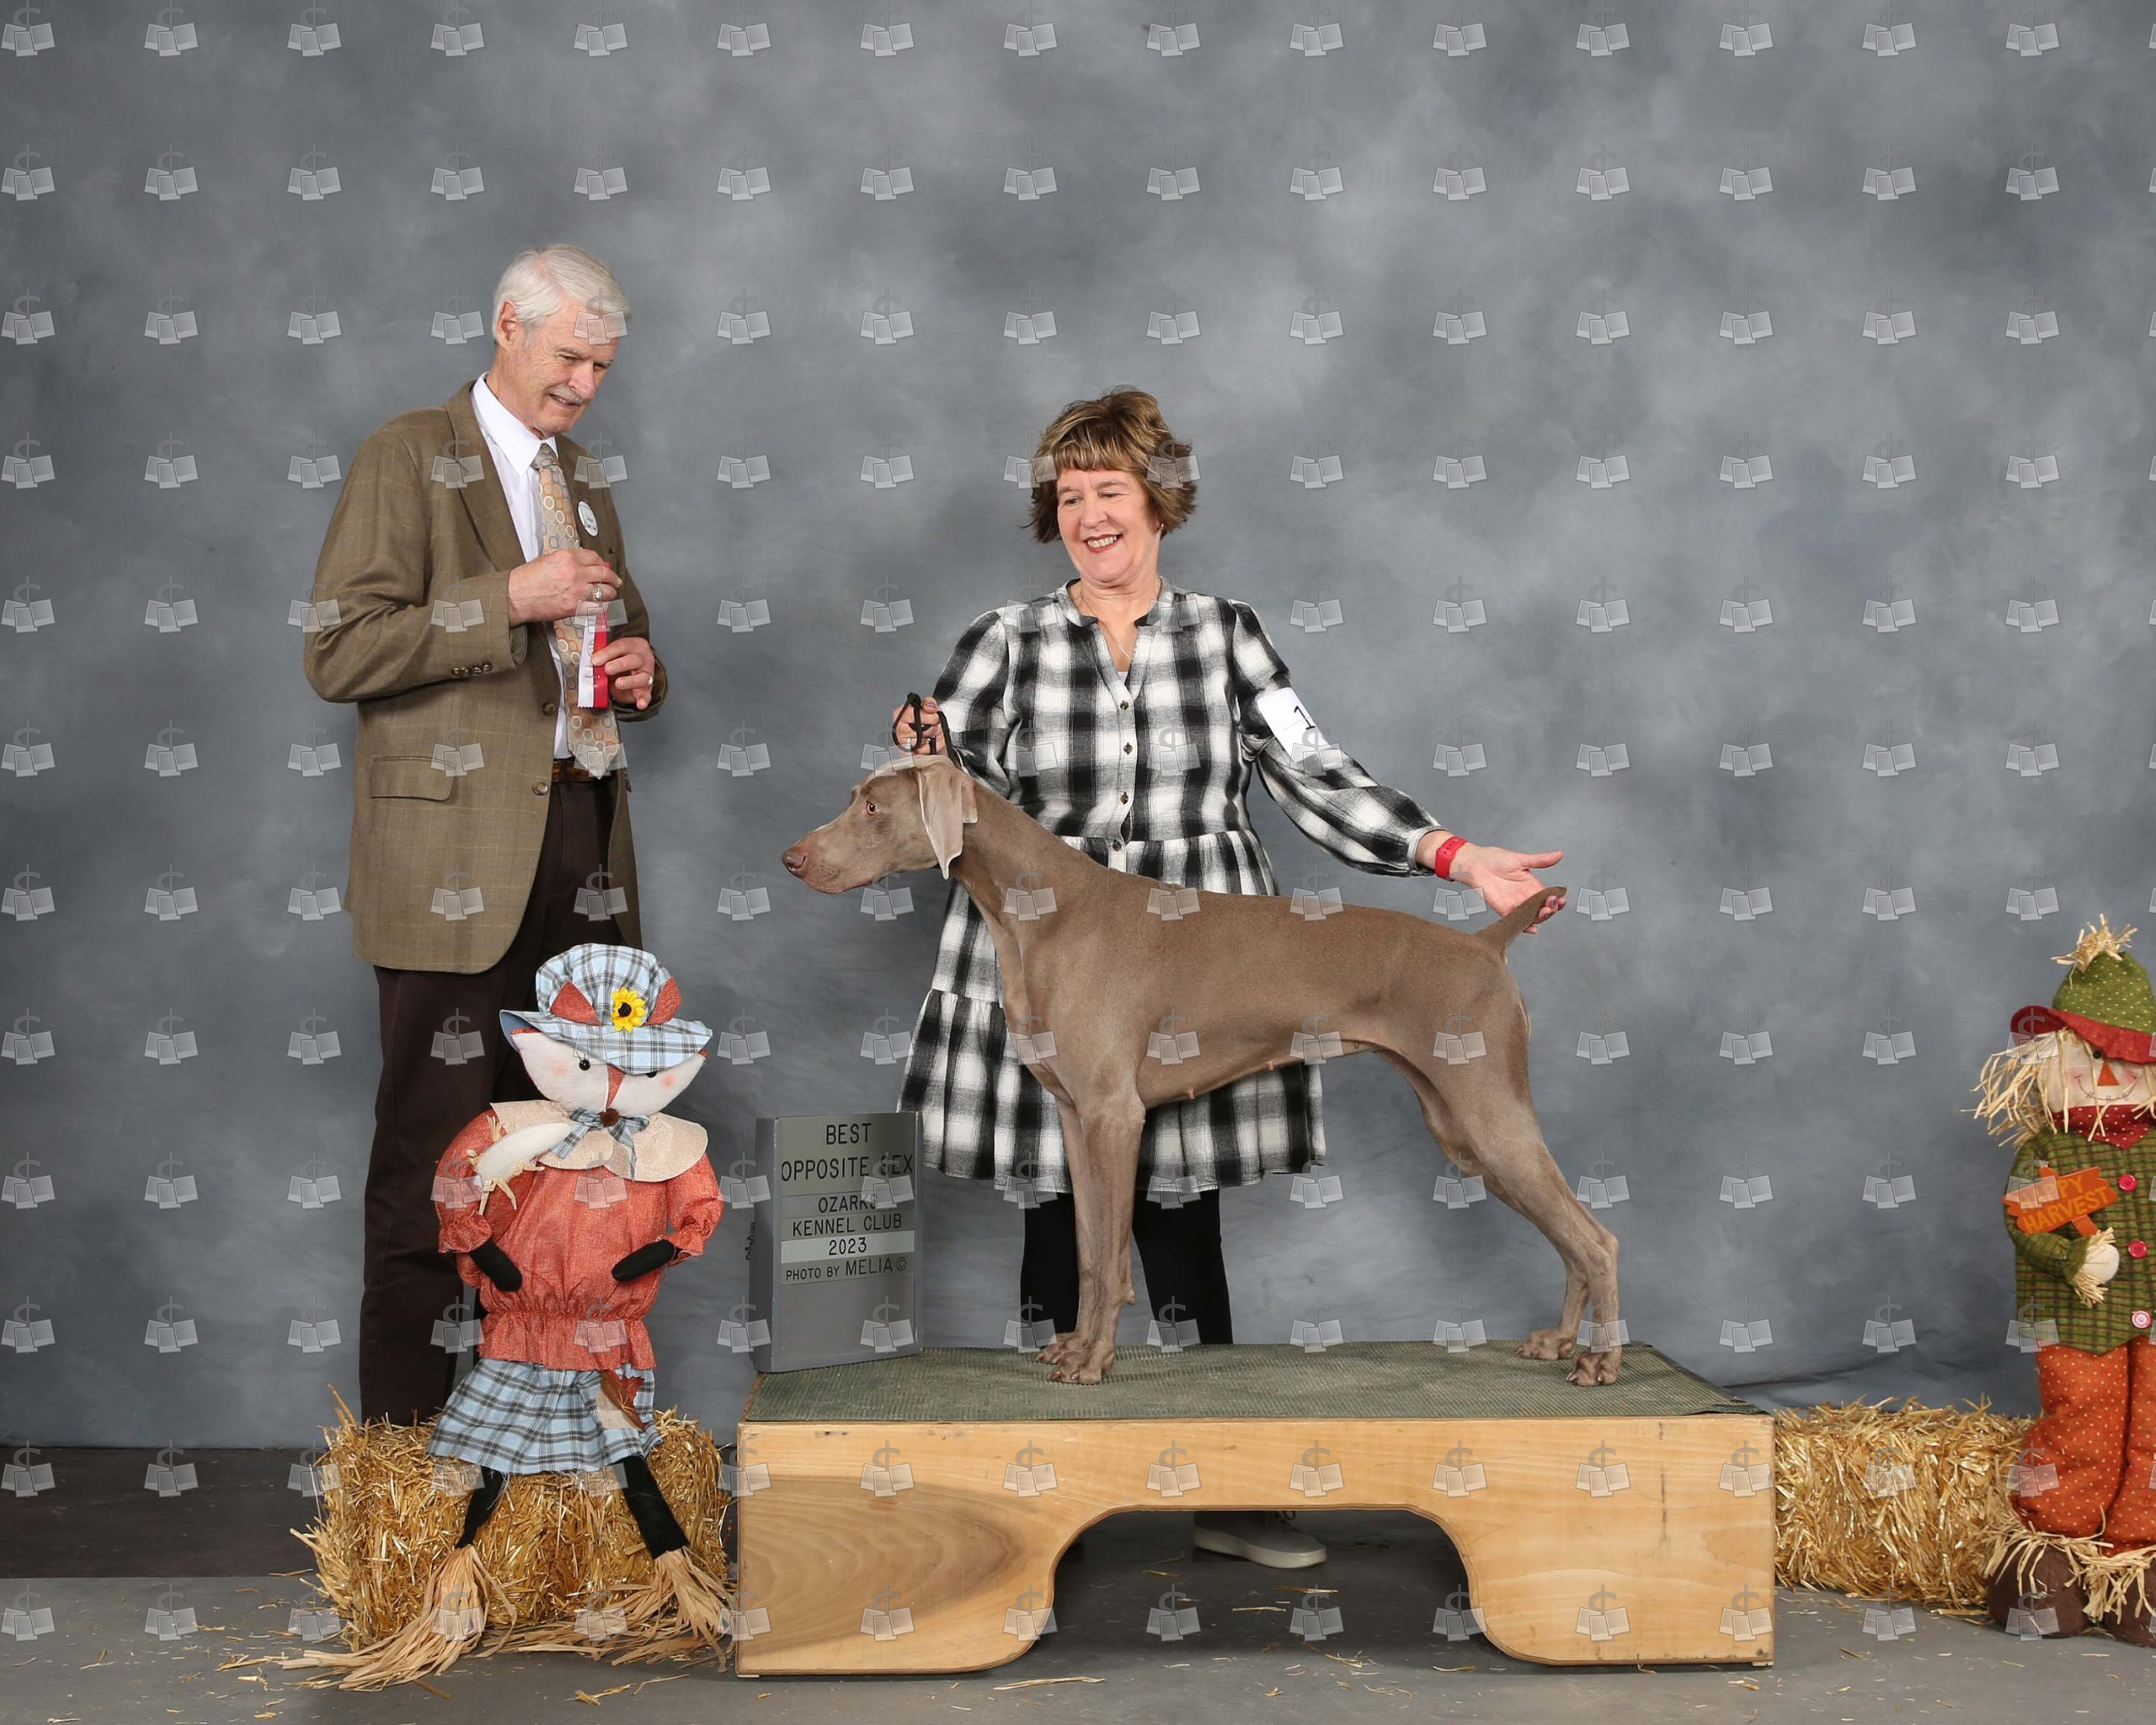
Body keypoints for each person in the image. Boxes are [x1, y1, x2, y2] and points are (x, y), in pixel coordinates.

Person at [892, 388, 1561, 1568]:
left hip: (1209, 955)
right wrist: (925, 739)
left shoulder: (1227, 633)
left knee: (1183, 1219)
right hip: (1052, 945)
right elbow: (948, 784)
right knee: (1052, 1209)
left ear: (1158, 500)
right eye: (1069, 497)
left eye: (1109, 490)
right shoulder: (1006, 637)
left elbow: (1315, 773)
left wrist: (1452, 856)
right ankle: (1053, 1497)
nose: (1090, 515)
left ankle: (1229, 1493)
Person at [302, 243, 669, 1424]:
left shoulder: (583, 478)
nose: (585, 386)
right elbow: (338, 649)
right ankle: (404, 1464)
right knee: (433, 1164)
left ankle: (533, 1443)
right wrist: (509, 599)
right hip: (451, 867)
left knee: (566, 1165)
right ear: (507, 326)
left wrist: (641, 669)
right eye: (569, 358)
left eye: (602, 367)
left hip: (582, 842)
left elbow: (608, 640)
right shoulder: (408, 454)